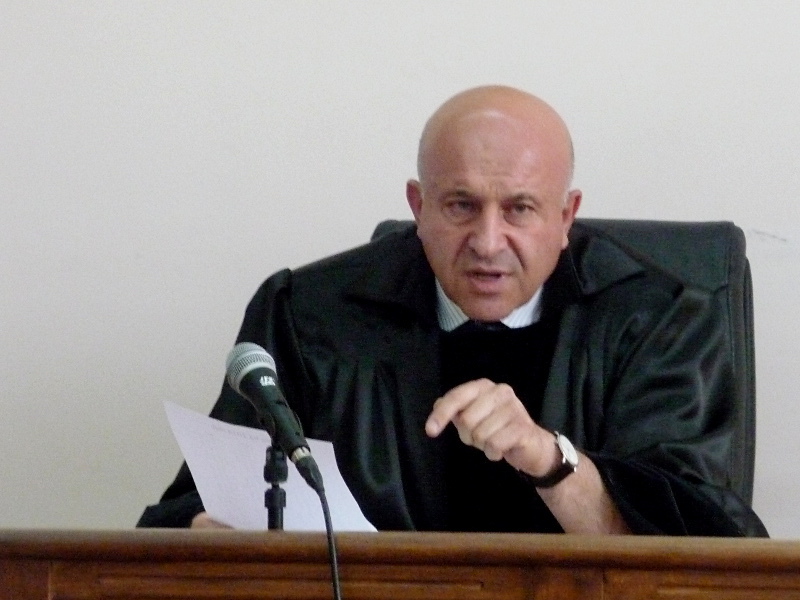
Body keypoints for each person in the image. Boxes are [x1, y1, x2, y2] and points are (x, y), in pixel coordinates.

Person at [138, 85, 767, 535]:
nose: (488, 243)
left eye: (520, 208)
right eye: (461, 206)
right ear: (418, 207)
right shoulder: (309, 316)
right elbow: (189, 509)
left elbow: (700, 547)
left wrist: (548, 459)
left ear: (566, 216)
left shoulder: (663, 320)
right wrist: (208, 534)